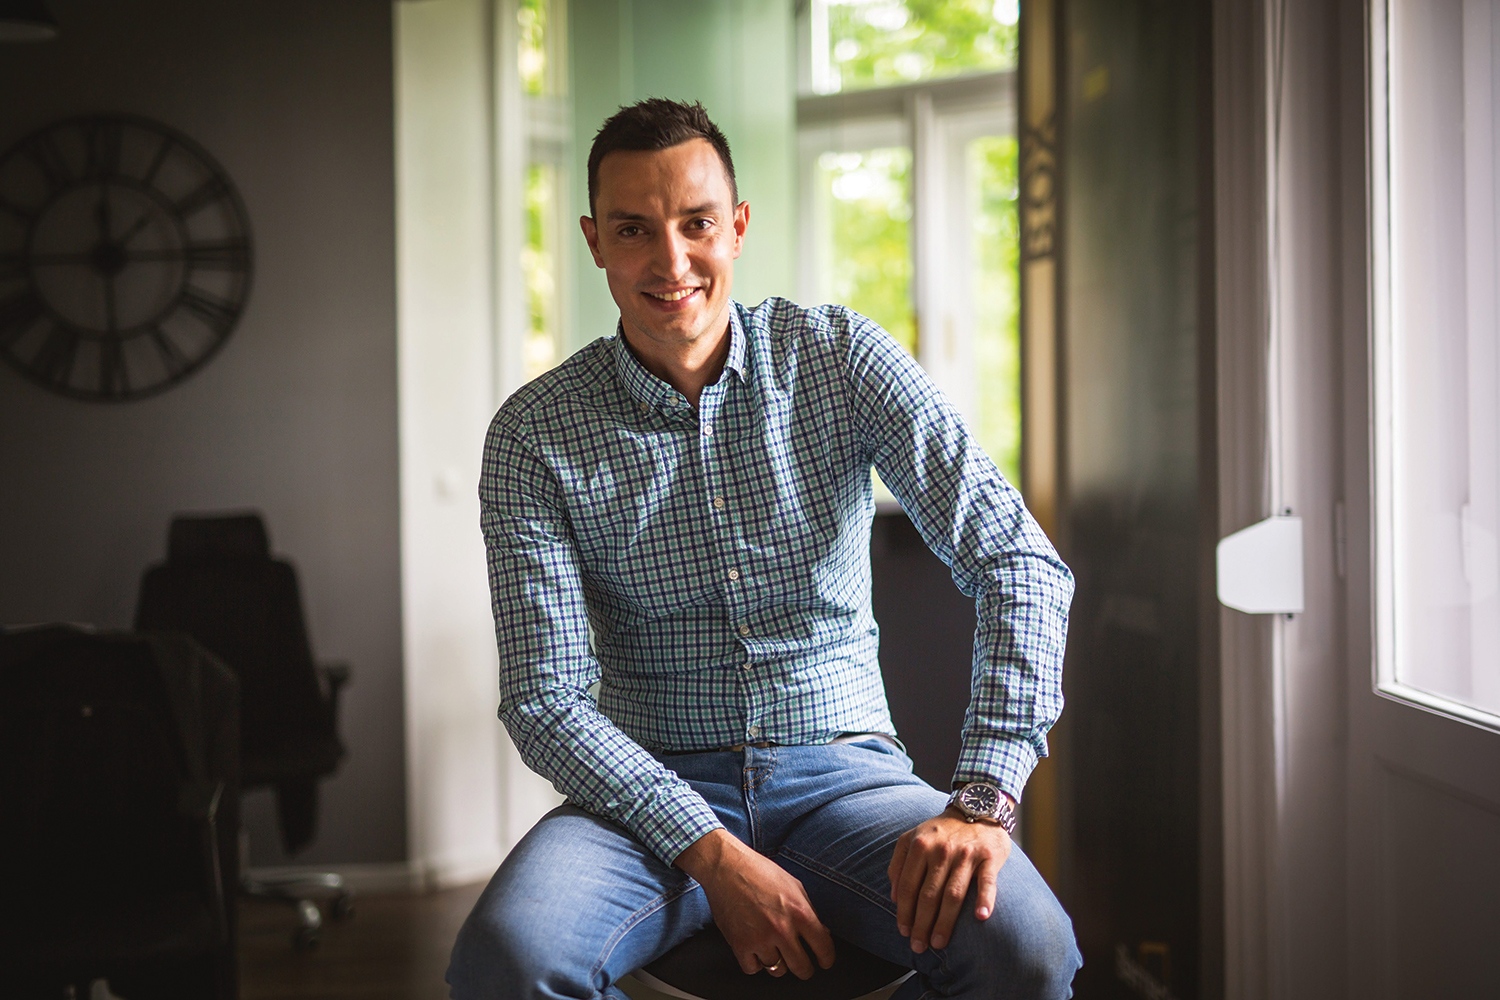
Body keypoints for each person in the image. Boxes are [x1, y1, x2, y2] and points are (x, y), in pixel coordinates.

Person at [448, 98, 1081, 1000]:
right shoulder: (533, 434)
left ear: (737, 227)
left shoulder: (841, 359)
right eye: (633, 229)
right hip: (645, 797)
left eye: (697, 223)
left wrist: (984, 797)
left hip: (849, 785)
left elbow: (1018, 562)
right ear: (594, 242)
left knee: (1028, 947)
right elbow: (544, 697)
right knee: (505, 963)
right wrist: (708, 851)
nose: (671, 261)